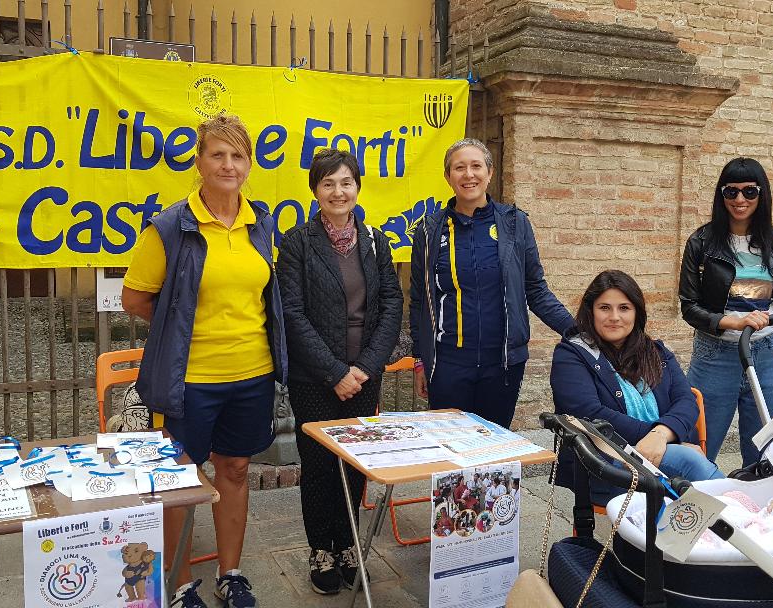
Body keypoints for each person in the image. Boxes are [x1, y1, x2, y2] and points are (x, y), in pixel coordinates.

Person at [122, 114, 285, 608]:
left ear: (249, 164)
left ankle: (230, 573)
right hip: (189, 380)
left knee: (234, 470)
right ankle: (178, 583)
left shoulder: (261, 223)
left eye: (238, 155)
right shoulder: (170, 227)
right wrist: (180, 327)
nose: (228, 165)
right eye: (218, 154)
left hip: (253, 374)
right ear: (199, 162)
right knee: (181, 480)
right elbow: (135, 298)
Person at [277, 148, 403, 595]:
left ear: (358, 187)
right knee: (318, 467)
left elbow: (392, 304)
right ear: (315, 190)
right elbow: (292, 313)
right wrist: (334, 372)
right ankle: (321, 550)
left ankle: (348, 545)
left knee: (354, 464)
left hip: (364, 378)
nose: (338, 191)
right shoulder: (296, 243)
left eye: (346, 182)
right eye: (328, 183)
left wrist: (365, 367)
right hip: (315, 379)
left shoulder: (376, 241)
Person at [409, 138, 573, 429]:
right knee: (451, 446)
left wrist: (578, 332)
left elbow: (536, 290)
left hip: (502, 365)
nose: (468, 174)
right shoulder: (429, 230)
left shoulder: (515, 223)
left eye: (476, 166)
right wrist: (420, 359)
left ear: (490, 172)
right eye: (459, 168)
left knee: (494, 446)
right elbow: (420, 300)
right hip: (448, 364)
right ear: (448, 176)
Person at [678, 157, 773, 468]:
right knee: (697, 451)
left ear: (761, 194)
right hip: (715, 355)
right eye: (731, 192)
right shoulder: (701, 242)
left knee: (766, 452)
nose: (740, 200)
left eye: (749, 192)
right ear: (721, 195)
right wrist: (732, 322)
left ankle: (753, 501)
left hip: (768, 354)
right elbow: (689, 307)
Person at [551, 270, 722, 506]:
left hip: (663, 453)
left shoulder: (656, 352)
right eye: (604, 308)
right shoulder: (571, 354)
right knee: (689, 461)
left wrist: (660, 436)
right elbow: (588, 413)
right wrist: (665, 441)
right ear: (591, 311)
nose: (614, 317)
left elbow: (685, 400)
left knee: (690, 481)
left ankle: (730, 517)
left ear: (636, 312)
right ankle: (739, 516)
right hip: (605, 463)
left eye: (624, 308)